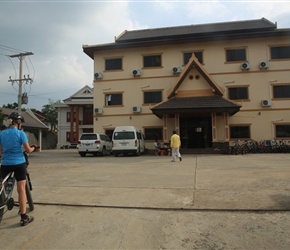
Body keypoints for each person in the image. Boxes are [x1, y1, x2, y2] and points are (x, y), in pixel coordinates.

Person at [0, 112, 36, 226]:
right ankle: (24, 217)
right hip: (19, 163)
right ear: (19, 123)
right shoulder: (21, 134)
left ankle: (4, 200)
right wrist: (34, 147)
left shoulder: (2, 133)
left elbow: (0, 151)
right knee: (21, 190)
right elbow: (28, 150)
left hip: (5, 163)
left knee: (3, 186)